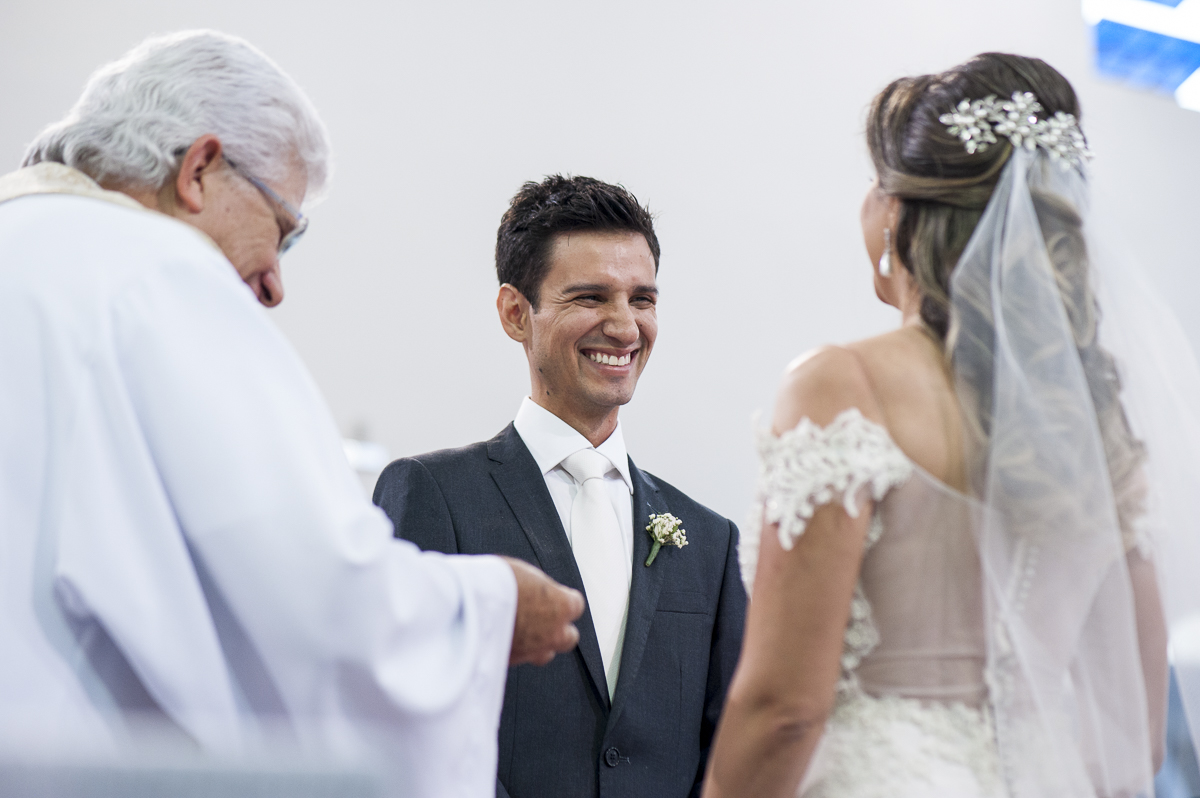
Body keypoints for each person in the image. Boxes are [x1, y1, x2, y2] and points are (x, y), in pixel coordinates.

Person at [0, 30, 584, 798]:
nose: (274, 284)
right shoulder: (162, 276)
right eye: (282, 231)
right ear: (200, 169)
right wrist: (490, 609)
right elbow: (312, 599)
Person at [701, 53, 1200, 797]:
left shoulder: (843, 384)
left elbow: (783, 710)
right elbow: (1138, 735)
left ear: (898, 210)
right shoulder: (1097, 424)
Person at [373, 175, 747, 798]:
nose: (624, 327)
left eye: (642, 299)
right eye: (590, 297)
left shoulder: (710, 540)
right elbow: (402, 719)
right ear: (515, 313)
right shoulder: (432, 495)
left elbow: (726, 753)